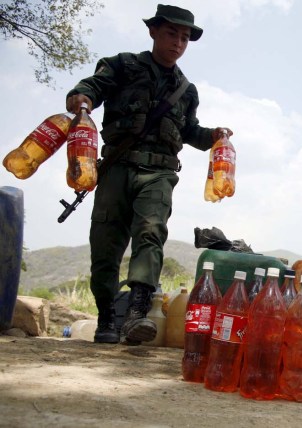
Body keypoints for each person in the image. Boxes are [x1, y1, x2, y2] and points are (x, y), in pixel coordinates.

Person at [65, 4, 232, 344]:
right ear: (154, 31)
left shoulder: (186, 90)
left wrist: (214, 135)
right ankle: (106, 317)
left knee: (150, 232)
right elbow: (92, 88)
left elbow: (189, 131)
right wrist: (81, 98)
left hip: (158, 173)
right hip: (115, 168)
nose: (178, 43)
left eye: (185, 37)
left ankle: (138, 315)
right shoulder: (123, 65)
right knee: (106, 245)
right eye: (172, 33)